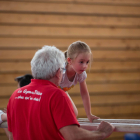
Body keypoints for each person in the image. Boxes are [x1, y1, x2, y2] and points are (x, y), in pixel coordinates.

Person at [7, 45, 114, 140]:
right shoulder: (57, 95)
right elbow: (73, 136)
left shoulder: (15, 95)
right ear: (59, 73)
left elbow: (12, 136)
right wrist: (101, 133)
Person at [59, 41, 99, 122]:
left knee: (73, 112)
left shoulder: (80, 74)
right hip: (48, 92)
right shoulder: (60, 72)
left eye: (87, 62)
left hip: (61, 91)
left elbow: (84, 94)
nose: (85, 66)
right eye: (81, 62)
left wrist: (89, 114)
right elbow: (48, 87)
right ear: (69, 61)